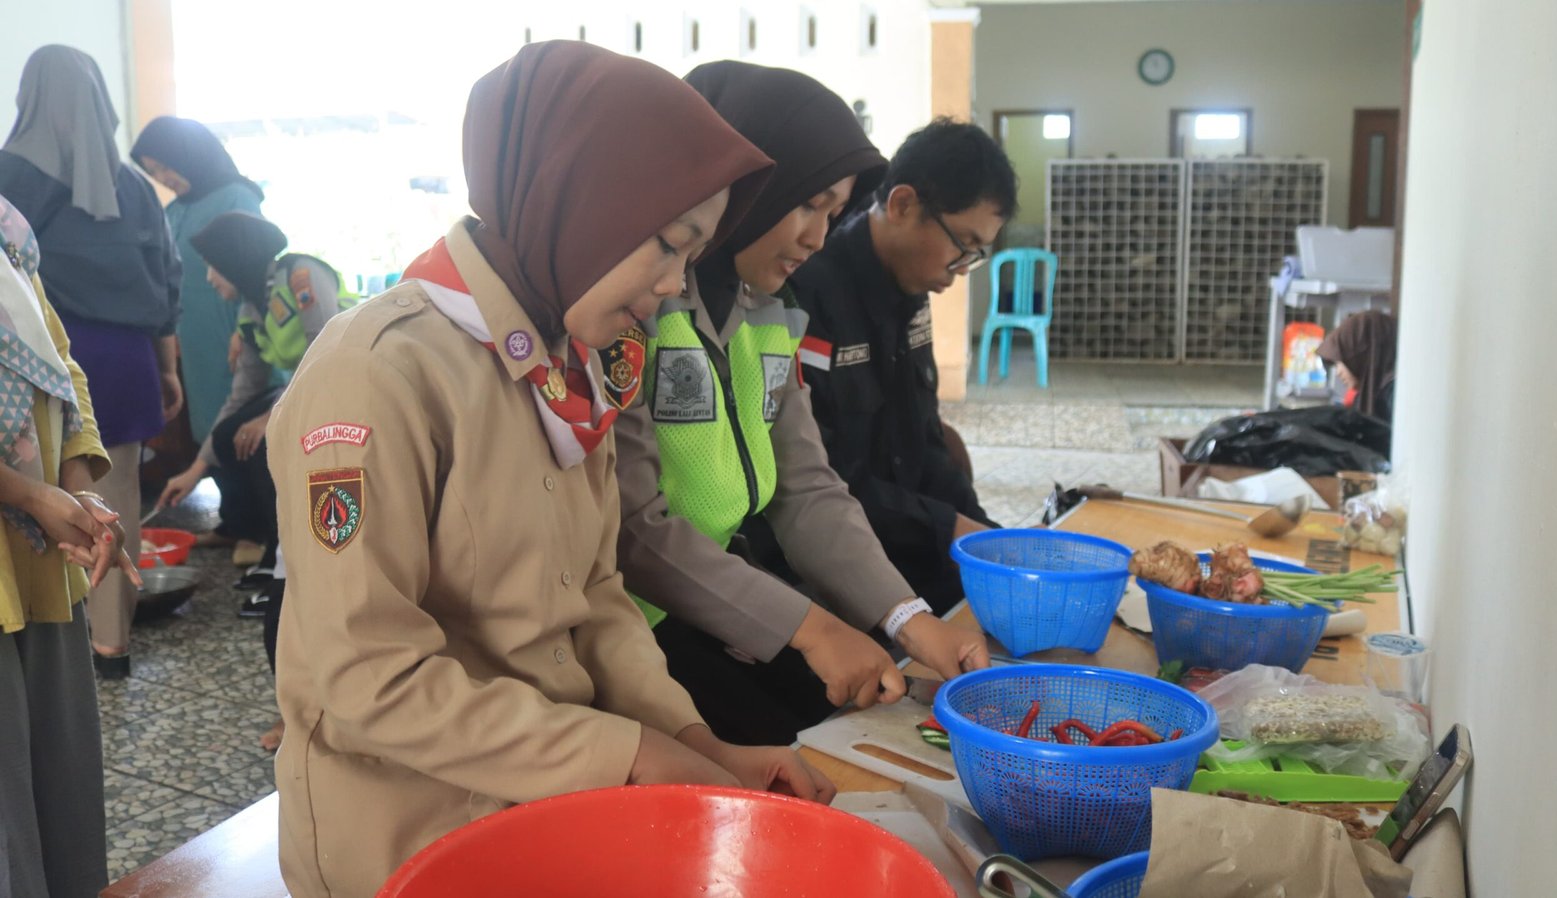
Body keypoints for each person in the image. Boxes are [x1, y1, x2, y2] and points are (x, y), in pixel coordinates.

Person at [265, 42, 834, 898]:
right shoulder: (380, 372)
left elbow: (597, 594)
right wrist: (629, 755)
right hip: (411, 838)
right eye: (670, 246)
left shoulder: (574, 362)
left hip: (559, 807)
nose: (677, 287)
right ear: (583, 204)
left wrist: (691, 738)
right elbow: (369, 680)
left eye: (694, 255)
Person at [616, 62, 990, 749]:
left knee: (867, 721)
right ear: (752, 187)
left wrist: (907, 616)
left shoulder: (770, 314)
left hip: (730, 600)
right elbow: (637, 532)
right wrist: (809, 628)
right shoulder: (638, 311)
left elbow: (808, 487)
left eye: (834, 212)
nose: (819, 236)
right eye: (808, 203)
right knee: (795, 747)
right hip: (642, 625)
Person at [0, 46, 183, 679]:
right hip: (130, 355)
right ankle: (113, 642)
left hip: (46, 360)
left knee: (37, 497)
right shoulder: (133, 182)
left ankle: (41, 637)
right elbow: (167, 276)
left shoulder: (10, 175)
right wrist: (167, 367)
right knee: (116, 497)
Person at [786, 118, 1017, 612]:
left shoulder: (912, 285)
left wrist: (988, 537)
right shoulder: (807, 294)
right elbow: (820, 479)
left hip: (915, 553)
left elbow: (925, 443)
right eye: (962, 246)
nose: (958, 272)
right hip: (837, 574)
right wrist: (948, 527)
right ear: (903, 204)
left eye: (975, 256)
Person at [154, 210, 357, 750]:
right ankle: (273, 545)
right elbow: (242, 394)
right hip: (307, 411)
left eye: (212, 266)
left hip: (352, 407)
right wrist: (195, 467)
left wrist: (275, 415)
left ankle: (276, 550)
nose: (208, 279)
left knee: (308, 577)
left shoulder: (301, 277)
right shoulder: (251, 310)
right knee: (231, 439)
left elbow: (329, 354)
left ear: (235, 257)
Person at [0, 192, 139, 898]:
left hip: (38, 559)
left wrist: (77, 485)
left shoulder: (8, 231)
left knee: (62, 786)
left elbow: (60, 364)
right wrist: (29, 495)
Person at [132, 116, 265, 549]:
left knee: (241, 415)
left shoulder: (236, 195)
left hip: (232, 329)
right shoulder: (173, 210)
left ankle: (259, 526)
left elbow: (255, 262)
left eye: (165, 166)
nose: (163, 178)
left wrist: (246, 326)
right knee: (209, 417)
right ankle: (233, 519)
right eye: (153, 172)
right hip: (193, 337)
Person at [1318, 310, 1398, 423]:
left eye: (1341, 361)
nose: (1338, 372)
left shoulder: (1394, 397)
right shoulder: (1369, 396)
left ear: (1361, 354)